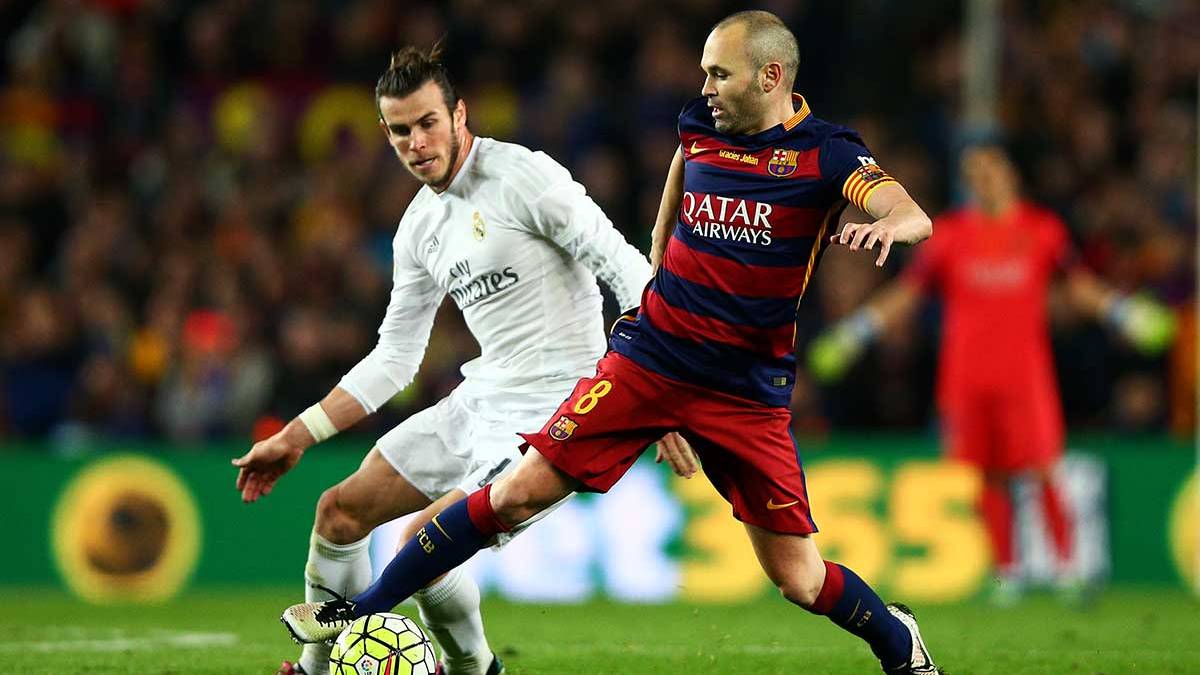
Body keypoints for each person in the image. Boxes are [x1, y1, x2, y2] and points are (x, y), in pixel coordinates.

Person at [282, 11, 942, 674]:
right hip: (648, 363)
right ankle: (359, 609)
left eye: (719, 73)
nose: (705, 86)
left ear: (770, 77)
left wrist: (889, 227)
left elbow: (908, 211)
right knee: (514, 493)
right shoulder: (700, 128)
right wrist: (658, 287)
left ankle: (898, 640)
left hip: (743, 390)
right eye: (704, 71)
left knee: (799, 578)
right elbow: (665, 225)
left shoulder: (826, 153)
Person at [232, 44, 654, 675]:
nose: (417, 142)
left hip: (558, 407)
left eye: (428, 122)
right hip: (481, 398)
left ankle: (475, 670)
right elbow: (395, 359)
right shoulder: (418, 227)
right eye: (400, 130)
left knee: (421, 545)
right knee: (338, 513)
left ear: (460, 115)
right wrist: (296, 435)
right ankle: (316, 670)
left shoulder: (523, 177)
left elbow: (625, 267)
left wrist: (652, 385)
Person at [807, 143, 1175, 604]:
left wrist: (1124, 313)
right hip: (968, 377)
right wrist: (856, 332)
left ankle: (1068, 569)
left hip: (1025, 376)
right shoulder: (950, 235)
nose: (983, 179)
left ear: (1010, 175)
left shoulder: (1042, 230)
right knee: (987, 475)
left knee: (1043, 468)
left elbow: (1077, 286)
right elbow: (908, 293)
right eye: (973, 173)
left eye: (990, 170)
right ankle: (1007, 573)